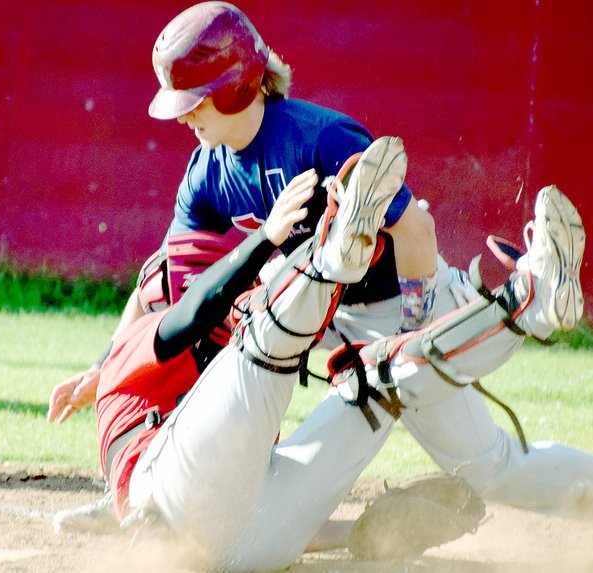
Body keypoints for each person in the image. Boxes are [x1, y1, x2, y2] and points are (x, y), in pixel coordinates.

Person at [49, 3, 593, 569]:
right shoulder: (206, 171)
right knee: (473, 452)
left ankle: (531, 320)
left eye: (194, 101)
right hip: (329, 323)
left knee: (465, 440)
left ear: (238, 87)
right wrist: (106, 365)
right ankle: (530, 311)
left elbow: (418, 230)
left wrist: (415, 317)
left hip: (391, 302)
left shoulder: (318, 137)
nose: (183, 117)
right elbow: (174, 282)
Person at [93, 137, 405, 570]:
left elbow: (270, 510)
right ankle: (330, 254)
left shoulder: (239, 394)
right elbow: (199, 306)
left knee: (381, 380)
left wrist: (368, 532)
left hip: (238, 546)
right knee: (264, 341)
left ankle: (512, 311)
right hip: (157, 500)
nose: (240, 294)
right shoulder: (134, 349)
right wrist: (267, 237)